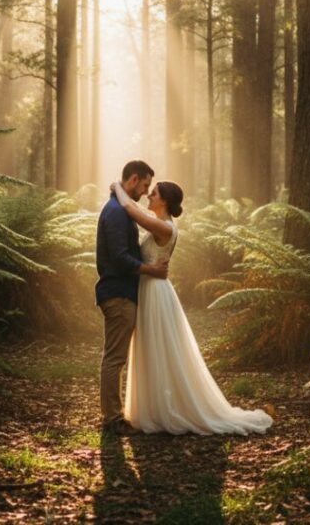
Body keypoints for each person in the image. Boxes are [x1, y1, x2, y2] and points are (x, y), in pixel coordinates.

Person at [112, 178, 273, 435]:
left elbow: (131, 210)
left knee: (158, 346)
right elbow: (136, 209)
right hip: (151, 286)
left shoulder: (164, 227)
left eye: (153, 193)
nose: (148, 197)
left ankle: (166, 409)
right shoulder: (161, 222)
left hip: (155, 291)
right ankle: (154, 406)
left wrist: (116, 186)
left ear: (164, 200)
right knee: (152, 347)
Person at [96, 160, 169, 435]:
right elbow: (119, 257)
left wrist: (117, 187)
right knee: (115, 358)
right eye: (146, 185)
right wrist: (151, 269)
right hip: (117, 293)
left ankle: (113, 416)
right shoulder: (115, 213)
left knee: (115, 356)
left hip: (123, 292)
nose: (146, 191)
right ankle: (112, 419)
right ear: (135, 179)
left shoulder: (120, 208)